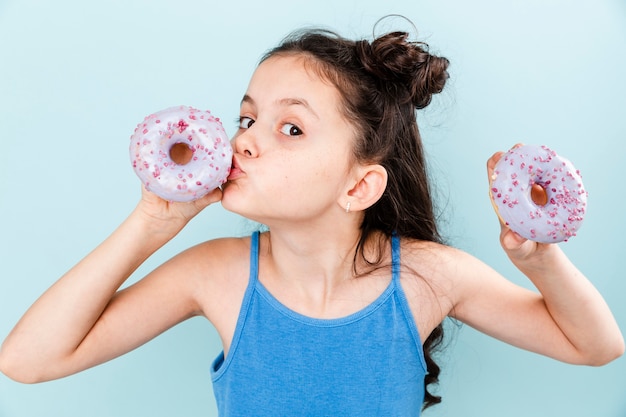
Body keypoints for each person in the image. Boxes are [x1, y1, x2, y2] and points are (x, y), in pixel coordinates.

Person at [0, 22, 623, 417]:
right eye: (247, 118)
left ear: (359, 183)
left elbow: (597, 347)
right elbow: (27, 361)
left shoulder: (429, 278)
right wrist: (151, 223)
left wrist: (542, 261)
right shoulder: (214, 275)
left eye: (289, 127)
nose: (243, 141)